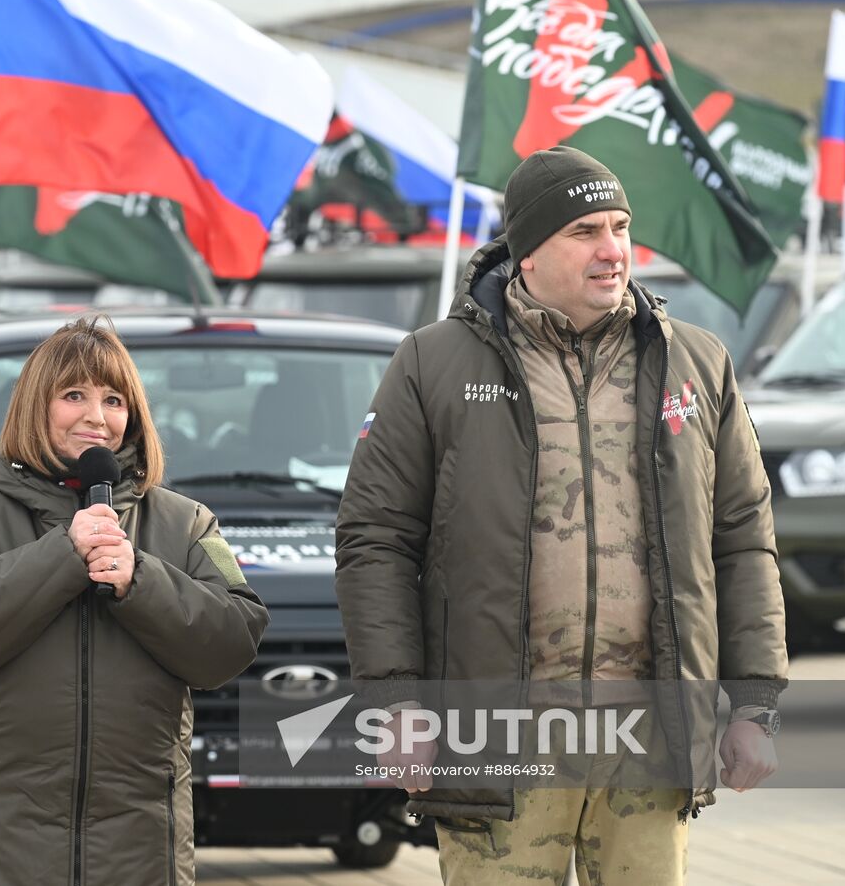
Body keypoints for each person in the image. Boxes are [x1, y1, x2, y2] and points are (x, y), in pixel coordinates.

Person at [335, 146, 786, 885]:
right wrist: (396, 701)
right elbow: (375, 540)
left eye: (620, 226)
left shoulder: (697, 365)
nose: (614, 251)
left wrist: (757, 702)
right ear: (528, 252)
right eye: (586, 231)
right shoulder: (434, 363)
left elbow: (742, 539)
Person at [0, 315, 268, 886]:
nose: (96, 417)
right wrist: (63, 553)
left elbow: (234, 639)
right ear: (35, 405)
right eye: (73, 395)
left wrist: (141, 580)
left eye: (114, 399)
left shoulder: (186, 523)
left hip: (138, 847)